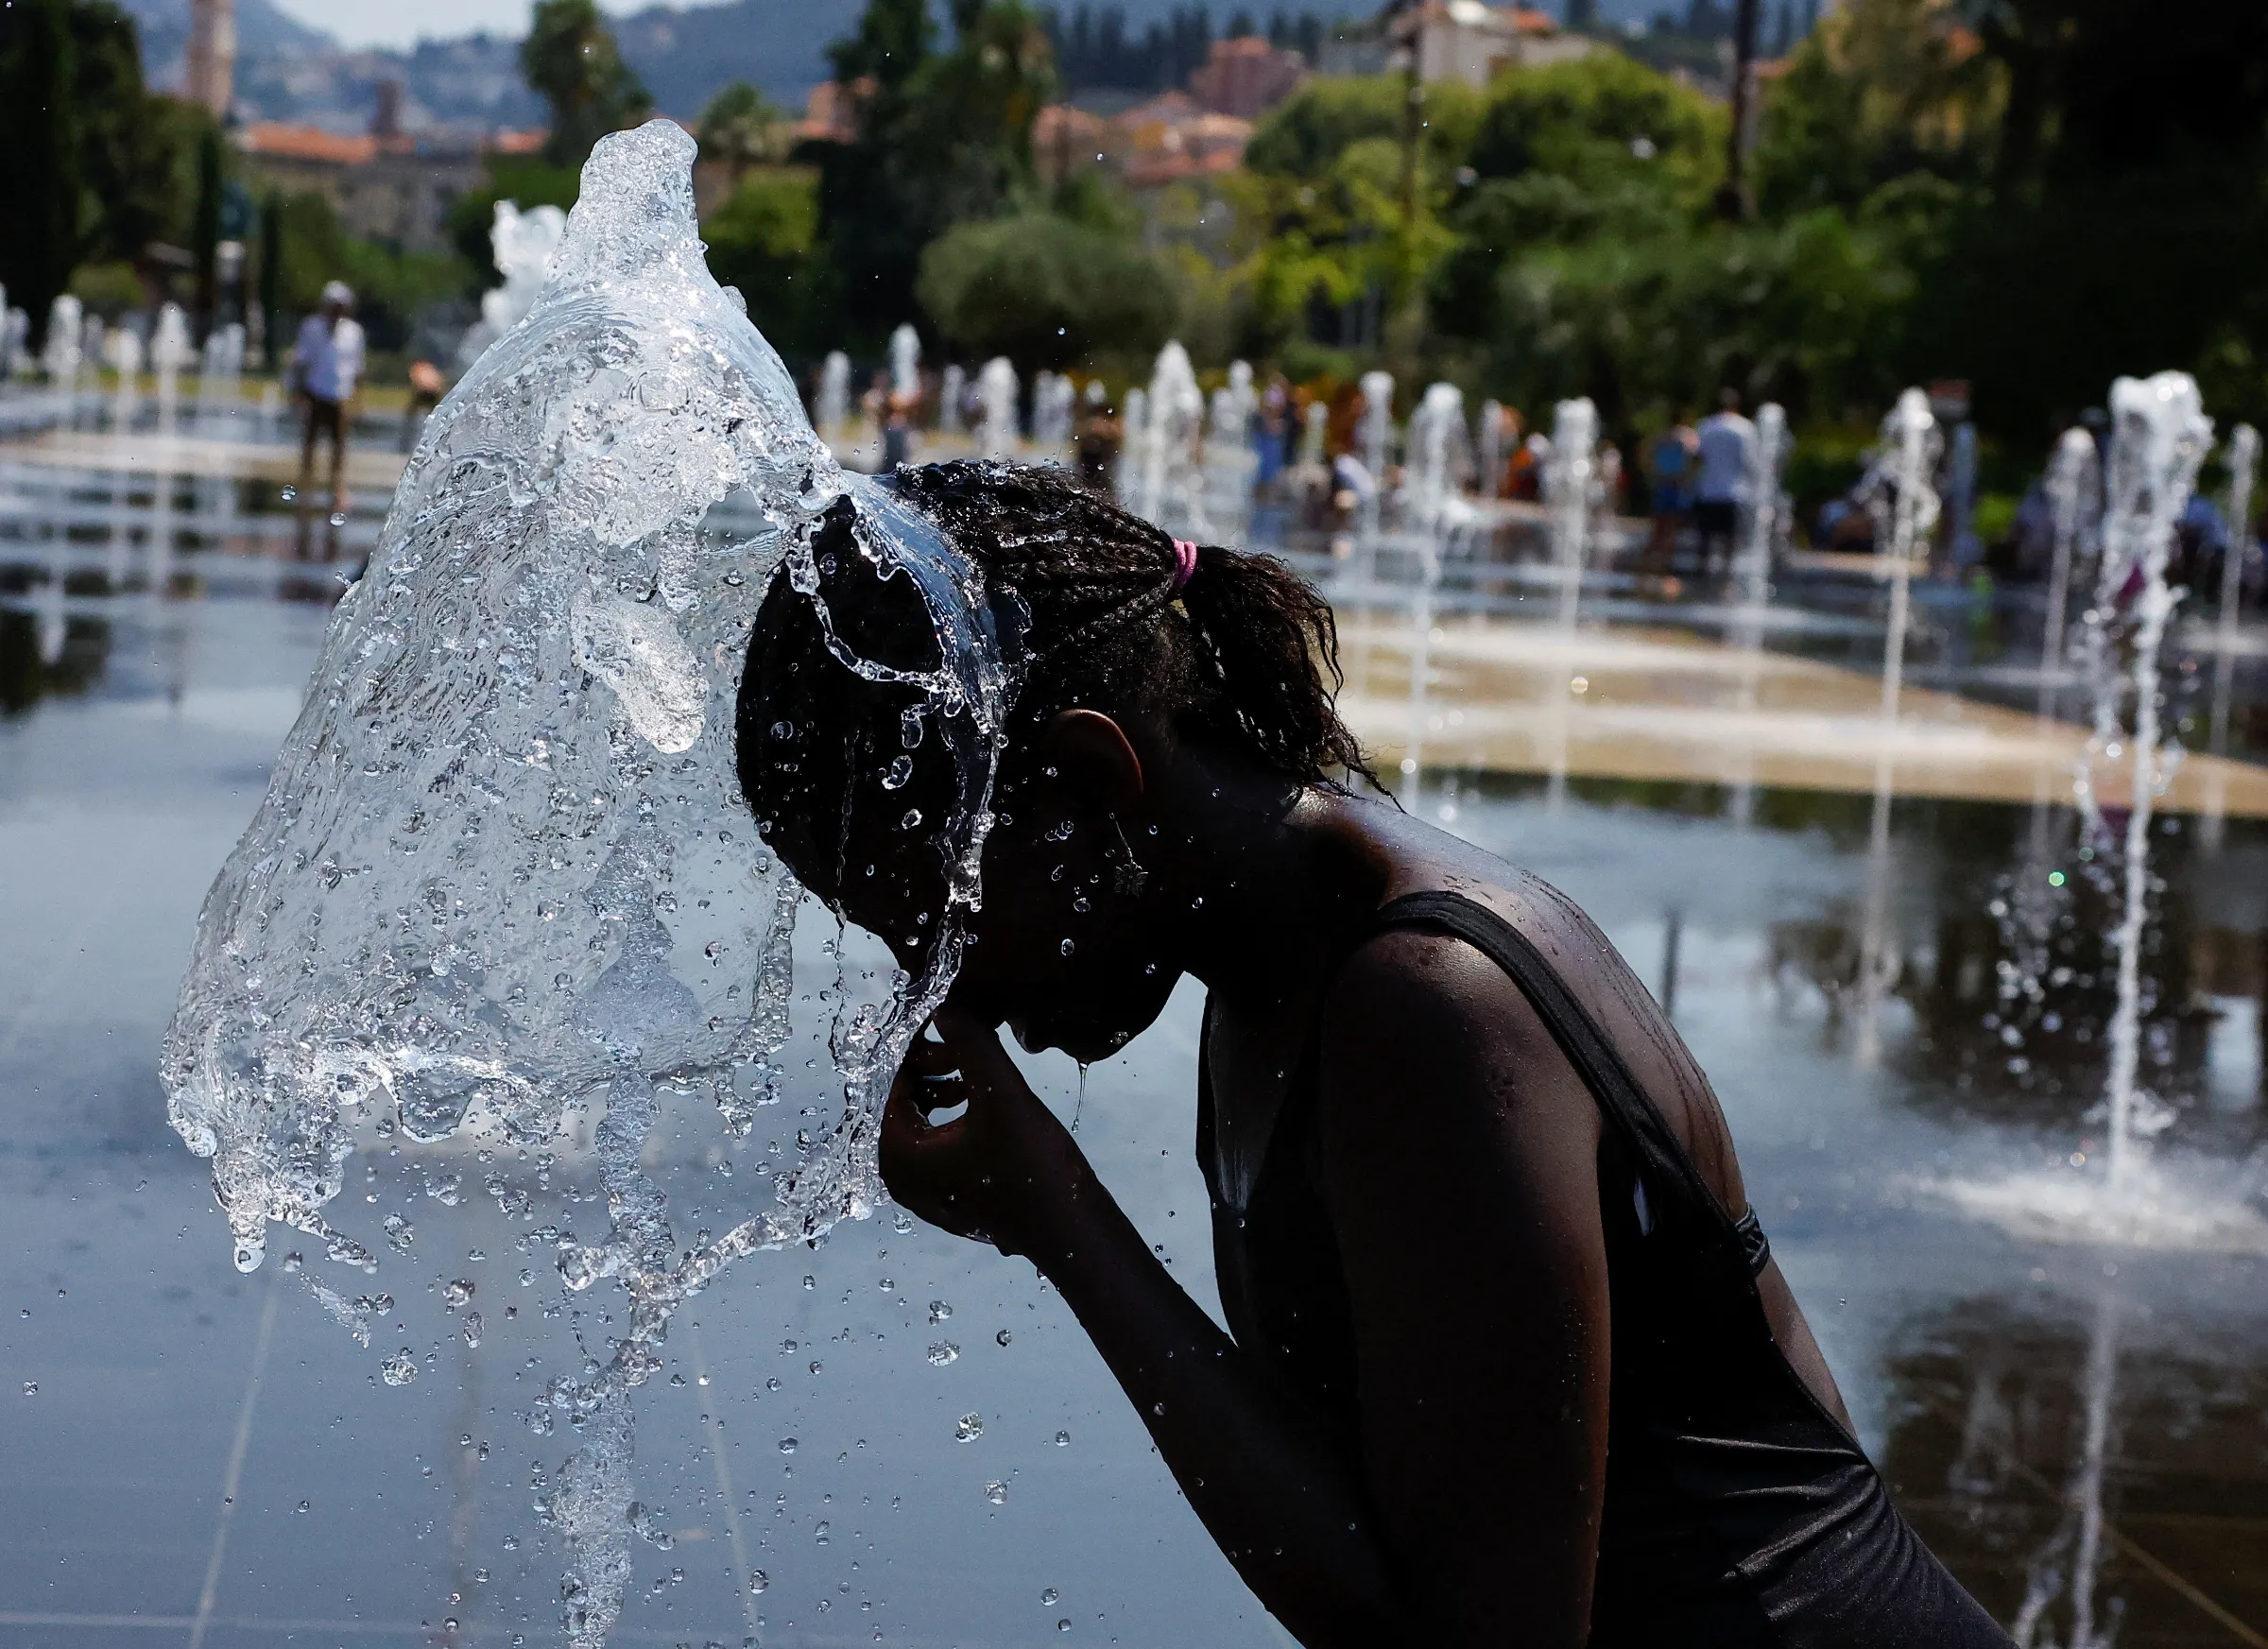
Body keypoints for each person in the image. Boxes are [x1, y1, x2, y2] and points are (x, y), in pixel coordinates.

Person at [733, 462, 2013, 1649]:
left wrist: (1063, 1220)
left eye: (937, 912)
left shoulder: (1427, 1004)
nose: (938, 986)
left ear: (1087, 775)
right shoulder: (1276, 954)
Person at [292, 281, 365, 518]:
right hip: (316, 392)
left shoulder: (353, 332)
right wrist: (298, 392)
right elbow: (301, 361)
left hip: (340, 395)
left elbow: (357, 369)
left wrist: (358, 399)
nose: (336, 311)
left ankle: (336, 491)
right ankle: (306, 489)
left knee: (338, 447)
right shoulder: (311, 327)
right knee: (310, 444)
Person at [1693, 387, 1756, 576]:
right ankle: (1726, 579)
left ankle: (1703, 577)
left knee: (1705, 541)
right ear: (1737, 406)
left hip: (1708, 492)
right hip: (1734, 493)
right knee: (1730, 542)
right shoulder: (1745, 428)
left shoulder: (1705, 426)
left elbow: (1698, 458)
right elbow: (1751, 462)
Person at [1647, 410, 1698, 570]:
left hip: (1663, 484)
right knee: (1671, 527)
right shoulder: (1687, 437)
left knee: (1659, 527)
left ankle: (1651, 562)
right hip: (1676, 485)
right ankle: (1665, 562)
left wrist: (1653, 473)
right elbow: (1695, 457)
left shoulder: (1662, 438)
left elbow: (1648, 455)